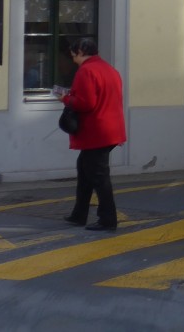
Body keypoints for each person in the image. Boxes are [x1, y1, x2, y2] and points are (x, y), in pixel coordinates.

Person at [56, 37, 126, 232]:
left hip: (97, 131)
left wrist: (66, 98)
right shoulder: (109, 69)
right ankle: (79, 214)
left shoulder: (86, 71)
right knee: (85, 169)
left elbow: (86, 103)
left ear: (80, 52)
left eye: (73, 55)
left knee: (99, 176)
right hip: (110, 129)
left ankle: (107, 219)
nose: (73, 59)